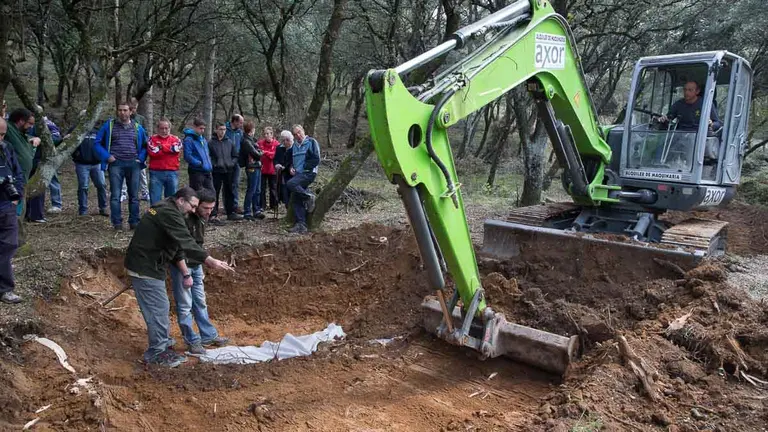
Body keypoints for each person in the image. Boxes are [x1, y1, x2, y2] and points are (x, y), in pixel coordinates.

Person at [124, 186, 233, 367]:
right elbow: (185, 241)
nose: (193, 210)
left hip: (151, 265)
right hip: (146, 267)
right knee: (158, 309)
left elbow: (175, 244)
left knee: (161, 307)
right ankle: (156, 354)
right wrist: (209, 260)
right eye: (192, 206)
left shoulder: (167, 208)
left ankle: (164, 344)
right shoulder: (169, 213)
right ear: (181, 200)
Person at [169, 188, 230, 354]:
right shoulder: (184, 219)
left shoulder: (203, 218)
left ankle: (208, 335)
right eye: (205, 208)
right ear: (196, 205)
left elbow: (197, 244)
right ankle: (192, 341)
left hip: (196, 264)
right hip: (182, 265)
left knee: (200, 301)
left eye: (212, 208)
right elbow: (177, 249)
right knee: (185, 305)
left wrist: (199, 266)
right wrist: (185, 273)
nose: (209, 212)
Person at [94, 102, 149, 230]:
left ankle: (134, 221)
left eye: (125, 110)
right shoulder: (109, 126)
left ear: (131, 112)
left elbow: (145, 146)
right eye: (120, 110)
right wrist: (107, 156)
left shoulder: (138, 127)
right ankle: (117, 222)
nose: (122, 113)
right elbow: (97, 143)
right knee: (115, 195)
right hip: (116, 164)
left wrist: (140, 159)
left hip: (133, 164)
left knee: (134, 195)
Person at [0, 118, 25, 304]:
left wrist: (17, 193)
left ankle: (6, 289)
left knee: (8, 247)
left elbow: (18, 173)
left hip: (7, 207)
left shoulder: (6, 148)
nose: (0, 138)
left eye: (2, 134)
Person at [5, 109, 40, 220]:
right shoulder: (9, 129)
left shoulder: (22, 135)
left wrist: (36, 138)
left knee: (19, 215)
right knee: (12, 216)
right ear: (21, 121)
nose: (31, 127)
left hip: (21, 180)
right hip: (11, 181)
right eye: (29, 123)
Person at [286, 124, 320, 233]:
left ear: (303, 131)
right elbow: (292, 161)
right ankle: (302, 225)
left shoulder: (311, 142)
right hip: (298, 175)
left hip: (308, 173)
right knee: (296, 199)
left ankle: (308, 197)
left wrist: (305, 167)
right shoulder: (294, 146)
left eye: (299, 132)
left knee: (290, 184)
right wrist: (291, 167)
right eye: (295, 134)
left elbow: (316, 159)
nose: (298, 135)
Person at [71, 122, 108, 216]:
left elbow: (104, 143)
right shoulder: (76, 130)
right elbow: (69, 143)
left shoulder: (97, 130)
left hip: (97, 163)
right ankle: (83, 210)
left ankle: (103, 208)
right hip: (82, 163)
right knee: (83, 187)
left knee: (102, 185)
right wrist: (76, 155)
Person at [208, 122, 242, 222]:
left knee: (229, 192)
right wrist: (214, 164)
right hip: (216, 171)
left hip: (229, 170)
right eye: (220, 129)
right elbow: (209, 156)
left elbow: (235, 155)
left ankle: (231, 212)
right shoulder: (211, 143)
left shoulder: (229, 142)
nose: (222, 132)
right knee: (215, 192)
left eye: (224, 129)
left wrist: (232, 163)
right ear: (216, 130)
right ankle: (213, 213)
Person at [147, 118, 182, 205]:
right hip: (156, 173)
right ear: (157, 129)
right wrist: (169, 149)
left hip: (172, 172)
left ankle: (169, 217)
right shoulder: (152, 139)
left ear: (170, 129)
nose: (164, 130)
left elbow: (177, 149)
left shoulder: (176, 139)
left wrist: (161, 147)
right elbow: (153, 152)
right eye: (162, 128)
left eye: (166, 128)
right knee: (154, 200)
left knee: (172, 200)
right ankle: (153, 216)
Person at [239, 120, 265, 220]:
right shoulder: (246, 141)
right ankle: (247, 212)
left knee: (257, 190)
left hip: (257, 166)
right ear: (251, 130)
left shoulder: (252, 140)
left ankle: (256, 210)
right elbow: (257, 154)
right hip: (251, 167)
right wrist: (260, 153)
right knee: (252, 189)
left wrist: (259, 152)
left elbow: (257, 151)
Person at [183, 118, 214, 191]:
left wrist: (209, 163)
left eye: (204, 129)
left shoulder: (203, 139)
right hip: (196, 171)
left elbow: (206, 153)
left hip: (207, 170)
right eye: (200, 128)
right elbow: (187, 156)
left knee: (211, 193)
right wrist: (199, 163)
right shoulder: (189, 139)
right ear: (194, 127)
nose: (202, 131)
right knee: (197, 193)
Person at [129, 97, 150, 201]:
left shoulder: (141, 119)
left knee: (142, 171)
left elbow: (146, 133)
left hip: (139, 148)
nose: (133, 110)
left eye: (134, 108)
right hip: (128, 149)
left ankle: (145, 191)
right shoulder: (123, 118)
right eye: (131, 108)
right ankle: (124, 191)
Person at [225, 114, 244, 213]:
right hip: (226, 161)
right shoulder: (225, 130)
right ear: (235, 121)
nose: (241, 125)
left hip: (236, 161)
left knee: (235, 183)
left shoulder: (240, 132)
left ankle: (235, 205)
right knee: (227, 184)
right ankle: (227, 205)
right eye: (240, 122)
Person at [258, 126, 279, 211]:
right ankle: (262, 205)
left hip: (272, 169)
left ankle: (273, 206)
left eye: (268, 134)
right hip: (262, 169)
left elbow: (274, 156)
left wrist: (265, 152)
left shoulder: (276, 144)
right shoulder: (260, 143)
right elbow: (258, 154)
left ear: (271, 134)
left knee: (273, 188)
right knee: (262, 188)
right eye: (265, 134)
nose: (266, 135)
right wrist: (267, 153)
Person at [274, 130, 294, 209]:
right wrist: (276, 164)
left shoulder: (295, 148)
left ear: (291, 139)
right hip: (282, 174)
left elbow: (294, 161)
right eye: (283, 140)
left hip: (292, 173)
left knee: (291, 191)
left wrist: (287, 167)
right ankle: (287, 207)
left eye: (287, 140)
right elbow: (275, 159)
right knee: (284, 191)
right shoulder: (279, 148)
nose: (285, 142)